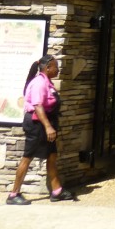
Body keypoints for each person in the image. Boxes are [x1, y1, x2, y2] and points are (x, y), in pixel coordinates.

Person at [7, 54, 76, 205]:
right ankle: (14, 194)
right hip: (37, 124)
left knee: (52, 156)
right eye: (56, 67)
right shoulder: (39, 83)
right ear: (48, 67)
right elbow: (38, 106)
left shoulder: (47, 82)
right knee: (28, 157)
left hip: (46, 123)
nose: (58, 70)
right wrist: (48, 127)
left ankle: (57, 191)